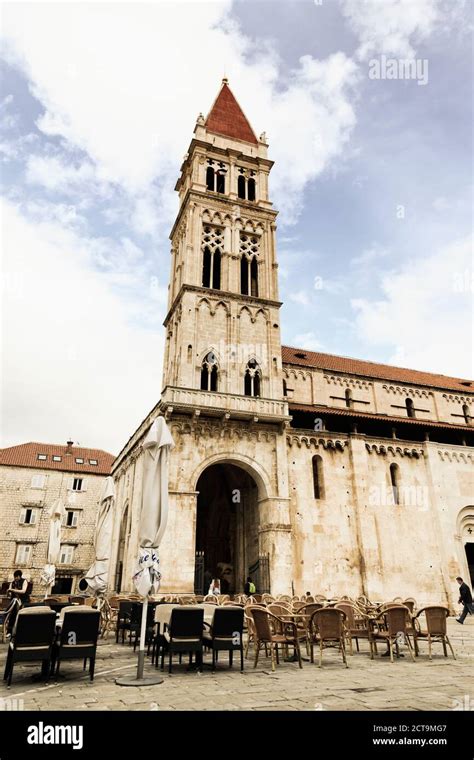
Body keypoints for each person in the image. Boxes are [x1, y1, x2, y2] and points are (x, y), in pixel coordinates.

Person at [5, 570, 30, 636]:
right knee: (12, 616)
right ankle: (9, 632)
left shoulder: (24, 581)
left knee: (22, 616)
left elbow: (23, 591)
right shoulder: (12, 583)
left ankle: (21, 631)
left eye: (16, 577)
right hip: (14, 601)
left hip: (24, 600)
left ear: (19, 576)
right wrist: (8, 592)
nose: (15, 578)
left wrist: (12, 590)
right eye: (14, 577)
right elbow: (9, 594)